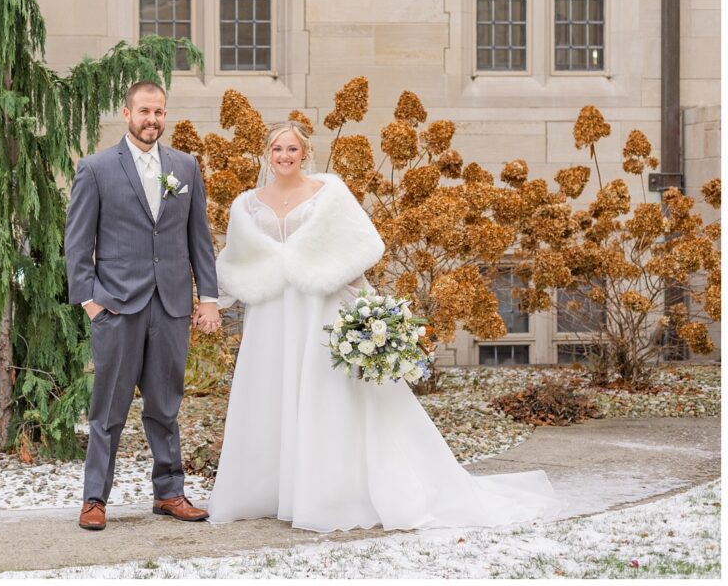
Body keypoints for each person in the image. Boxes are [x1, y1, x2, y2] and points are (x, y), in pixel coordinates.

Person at [206, 121, 565, 533]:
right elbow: (237, 261)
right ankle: (271, 489)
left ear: (304, 152)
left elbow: (355, 247)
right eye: (277, 149)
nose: (284, 156)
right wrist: (211, 304)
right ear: (266, 153)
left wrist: (370, 311)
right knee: (273, 393)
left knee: (325, 394)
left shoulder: (329, 193)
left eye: (291, 149)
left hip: (319, 308)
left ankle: (327, 493)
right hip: (271, 315)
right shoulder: (246, 204)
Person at [64, 81, 221, 531]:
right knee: (108, 410)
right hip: (116, 307)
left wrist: (206, 298)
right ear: (127, 113)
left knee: (165, 405)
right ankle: (94, 499)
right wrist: (91, 302)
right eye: (144, 111)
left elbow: (199, 239)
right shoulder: (96, 169)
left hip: (170, 306)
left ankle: (169, 492)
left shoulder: (185, 167)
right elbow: (77, 246)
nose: (152, 119)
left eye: (159, 112)